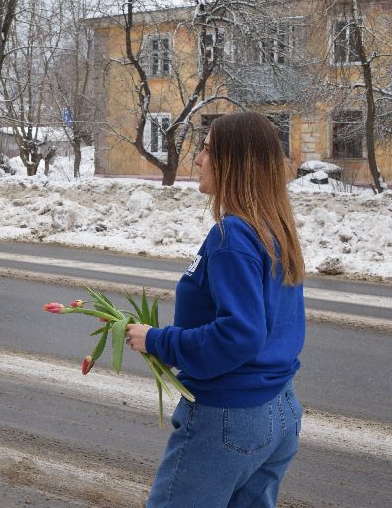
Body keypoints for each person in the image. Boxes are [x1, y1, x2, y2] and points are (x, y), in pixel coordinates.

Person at [125, 112, 306, 508]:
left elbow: (239, 334)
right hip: (280, 409)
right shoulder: (273, 228)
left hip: (230, 417)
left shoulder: (232, 236)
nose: (198, 160)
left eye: (207, 150)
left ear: (233, 163)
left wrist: (156, 340)